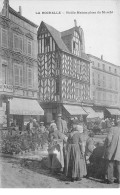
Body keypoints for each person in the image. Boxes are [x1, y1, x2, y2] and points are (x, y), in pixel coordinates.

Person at [103, 119, 120, 184]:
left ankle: (110, 179)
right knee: (119, 164)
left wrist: (107, 146)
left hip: (112, 148)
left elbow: (109, 138)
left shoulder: (112, 129)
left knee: (110, 163)